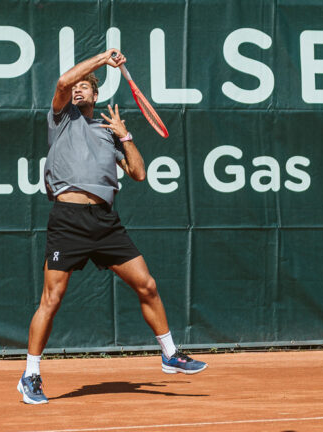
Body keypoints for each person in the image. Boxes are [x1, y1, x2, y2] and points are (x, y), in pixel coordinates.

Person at [17, 49, 207, 405]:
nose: (77, 90)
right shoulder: (60, 119)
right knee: (51, 299)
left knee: (147, 285)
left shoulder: (108, 133)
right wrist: (103, 59)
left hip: (105, 222)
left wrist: (125, 135)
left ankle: (169, 355)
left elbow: (138, 173)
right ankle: (30, 375)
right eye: (76, 87)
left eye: (85, 87)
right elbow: (61, 81)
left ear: (95, 94)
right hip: (68, 220)